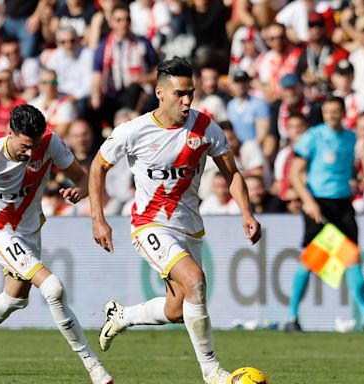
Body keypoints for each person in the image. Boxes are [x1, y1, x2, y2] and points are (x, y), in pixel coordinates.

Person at [88, 57, 261, 384]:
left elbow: (232, 173)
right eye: (180, 93)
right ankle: (211, 371)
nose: (187, 101)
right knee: (195, 279)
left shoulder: (206, 127)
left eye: (191, 93)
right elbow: (98, 167)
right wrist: (98, 218)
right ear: (160, 93)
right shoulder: (134, 131)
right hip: (149, 224)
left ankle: (122, 316)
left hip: (189, 226)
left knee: (176, 310)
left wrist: (246, 212)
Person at [0, 105, 113, 384]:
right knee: (53, 288)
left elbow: (81, 177)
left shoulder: (50, 142)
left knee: (16, 299)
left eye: (35, 146)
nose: (31, 153)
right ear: (10, 133)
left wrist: (79, 190)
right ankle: (94, 366)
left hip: (30, 231)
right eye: (25, 146)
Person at [286, 96, 364, 333]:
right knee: (311, 259)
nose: (332, 116)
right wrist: (309, 202)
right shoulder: (313, 137)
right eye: (328, 112)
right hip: (319, 204)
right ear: (323, 114)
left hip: (343, 203)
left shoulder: (351, 139)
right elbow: (295, 173)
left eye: (336, 112)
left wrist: (356, 180)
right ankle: (291, 315)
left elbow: (355, 173)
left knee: (352, 256)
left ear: (344, 113)